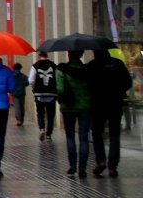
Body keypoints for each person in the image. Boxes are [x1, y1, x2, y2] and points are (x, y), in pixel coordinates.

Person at [88, 48, 133, 177]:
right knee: (114, 135)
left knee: (97, 133)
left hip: (98, 105)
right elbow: (128, 82)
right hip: (115, 104)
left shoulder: (92, 65)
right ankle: (112, 167)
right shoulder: (118, 64)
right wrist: (119, 90)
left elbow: (85, 83)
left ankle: (101, 161)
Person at [57, 51, 93, 177]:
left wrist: (60, 99)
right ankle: (82, 167)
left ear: (69, 55)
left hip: (69, 107)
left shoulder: (63, 70)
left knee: (70, 136)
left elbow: (60, 89)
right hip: (85, 106)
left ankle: (72, 165)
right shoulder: (87, 70)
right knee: (84, 137)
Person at [29, 52, 58, 141]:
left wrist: (34, 89)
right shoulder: (53, 65)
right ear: (47, 56)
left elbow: (31, 80)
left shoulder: (35, 65)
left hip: (39, 94)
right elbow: (57, 78)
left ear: (39, 56)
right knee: (51, 114)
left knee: (40, 113)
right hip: (51, 93)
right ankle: (49, 134)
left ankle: (42, 128)